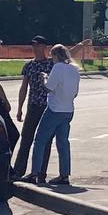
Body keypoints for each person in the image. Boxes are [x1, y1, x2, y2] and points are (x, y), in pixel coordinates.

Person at [31, 44, 81, 186]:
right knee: (63, 143)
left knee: (40, 140)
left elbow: (48, 88)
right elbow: (75, 93)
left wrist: (44, 78)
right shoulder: (74, 69)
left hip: (54, 109)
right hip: (68, 110)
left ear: (56, 55)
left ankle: (35, 173)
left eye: (52, 56)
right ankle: (64, 175)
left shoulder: (58, 67)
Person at [13, 36, 54, 179]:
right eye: (33, 46)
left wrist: (81, 45)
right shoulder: (29, 65)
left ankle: (40, 173)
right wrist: (19, 108)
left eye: (37, 45)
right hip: (33, 106)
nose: (34, 48)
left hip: (48, 107)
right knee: (26, 138)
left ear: (44, 47)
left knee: (45, 140)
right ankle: (18, 171)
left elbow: (67, 55)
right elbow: (24, 87)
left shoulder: (52, 64)